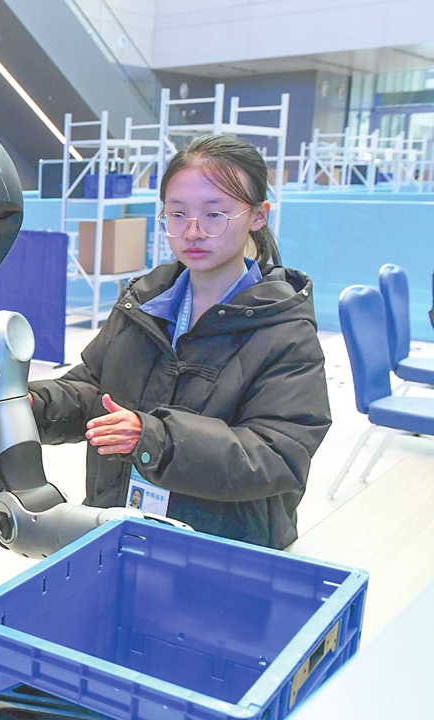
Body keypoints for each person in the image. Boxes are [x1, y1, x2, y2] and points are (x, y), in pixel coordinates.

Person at [28, 135, 331, 549]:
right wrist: (30, 405)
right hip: (122, 526)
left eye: (214, 215)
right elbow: (93, 392)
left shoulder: (285, 329)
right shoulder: (143, 302)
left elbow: (278, 453)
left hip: (222, 549)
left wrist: (154, 439)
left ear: (258, 216)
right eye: (177, 214)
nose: (192, 232)